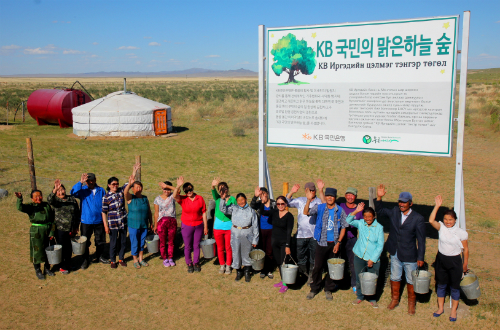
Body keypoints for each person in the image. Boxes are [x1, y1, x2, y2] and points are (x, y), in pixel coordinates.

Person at [375, 184, 426, 315]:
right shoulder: (394, 212)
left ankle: (411, 304)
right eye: (400, 202)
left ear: (410, 203)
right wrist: (379, 198)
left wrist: (420, 257)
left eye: (404, 202)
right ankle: (394, 300)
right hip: (394, 252)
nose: (401, 204)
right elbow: (380, 212)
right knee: (395, 277)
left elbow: (421, 240)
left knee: (410, 280)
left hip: (410, 254)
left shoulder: (418, 219)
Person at [303, 187, 348, 301]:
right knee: (317, 267)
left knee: (331, 268)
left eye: (331, 196)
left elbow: (344, 227)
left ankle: (328, 288)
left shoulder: (340, 211)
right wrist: (308, 200)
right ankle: (314, 288)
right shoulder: (321, 207)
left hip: (334, 244)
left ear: (335, 198)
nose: (329, 198)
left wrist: (338, 243)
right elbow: (306, 212)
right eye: (327, 196)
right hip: (321, 242)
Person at [429, 195, 469, 322]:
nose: (447, 221)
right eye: (446, 219)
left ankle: (453, 311)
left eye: (450, 219)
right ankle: (440, 308)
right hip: (441, 260)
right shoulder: (441, 228)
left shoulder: (461, 233)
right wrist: (437, 206)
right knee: (441, 285)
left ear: (455, 220)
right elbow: (431, 221)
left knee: (454, 287)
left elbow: (466, 250)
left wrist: (465, 265)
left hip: (455, 261)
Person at [286, 180, 325, 286]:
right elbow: (287, 202)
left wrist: (321, 191)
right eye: (309, 190)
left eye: (313, 190)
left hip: (314, 235)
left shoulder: (318, 201)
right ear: (305, 190)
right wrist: (292, 192)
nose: (312, 192)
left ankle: (312, 276)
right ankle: (304, 274)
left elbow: (326, 205)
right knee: (301, 256)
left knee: (313, 256)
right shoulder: (300, 201)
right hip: (301, 235)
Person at [346, 203, 384, 308]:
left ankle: (372, 298)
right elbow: (348, 221)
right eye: (365, 216)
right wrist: (356, 211)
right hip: (359, 255)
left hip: (373, 258)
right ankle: (360, 296)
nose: (367, 218)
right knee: (359, 277)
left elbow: (380, 246)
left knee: (372, 279)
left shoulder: (379, 228)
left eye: (370, 216)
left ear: (374, 216)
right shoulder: (361, 223)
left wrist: (372, 259)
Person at [71, 172, 108, 269]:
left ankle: (100, 256)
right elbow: (73, 192)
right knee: (85, 242)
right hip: (86, 220)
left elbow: (105, 204)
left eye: (92, 180)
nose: (90, 182)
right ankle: (85, 260)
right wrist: (80, 182)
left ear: (95, 180)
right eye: (88, 181)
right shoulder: (82, 190)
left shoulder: (101, 190)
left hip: (99, 220)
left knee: (100, 240)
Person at [219, 192, 259, 282]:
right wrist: (222, 199)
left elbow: (255, 226)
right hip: (235, 234)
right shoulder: (234, 208)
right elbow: (223, 209)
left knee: (247, 253)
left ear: (246, 199)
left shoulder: (251, 211)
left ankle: (247, 272)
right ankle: (238, 272)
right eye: (239, 200)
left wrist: (255, 240)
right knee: (236, 253)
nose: (241, 202)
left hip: (247, 234)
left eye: (242, 199)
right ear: (236, 201)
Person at [15, 190, 55, 280]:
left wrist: (52, 232)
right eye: (36, 197)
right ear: (32, 199)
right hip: (37, 231)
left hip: (48, 229)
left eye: (40, 196)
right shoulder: (31, 207)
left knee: (49, 249)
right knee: (37, 251)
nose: (38, 198)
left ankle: (47, 268)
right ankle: (38, 270)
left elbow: (53, 219)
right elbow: (20, 208)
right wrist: (19, 199)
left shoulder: (46, 205)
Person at [259, 196, 294, 293]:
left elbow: (289, 232)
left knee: (284, 263)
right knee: (279, 262)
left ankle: (285, 284)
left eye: (282, 203)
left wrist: (287, 245)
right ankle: (283, 280)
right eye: (278, 204)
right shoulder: (274, 212)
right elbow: (263, 212)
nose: (280, 206)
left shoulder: (289, 216)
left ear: (286, 204)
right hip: (275, 242)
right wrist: (262, 202)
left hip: (284, 243)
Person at [173, 177, 208, 273]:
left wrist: (205, 226)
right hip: (187, 225)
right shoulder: (183, 199)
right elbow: (174, 196)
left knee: (196, 245)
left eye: (190, 189)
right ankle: (189, 263)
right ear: (184, 191)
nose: (189, 192)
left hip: (198, 225)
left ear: (193, 189)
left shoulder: (200, 198)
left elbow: (204, 212)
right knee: (188, 246)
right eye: (187, 191)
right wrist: (178, 186)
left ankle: (196, 262)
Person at [47, 179, 80, 274]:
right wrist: (54, 190)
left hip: (71, 228)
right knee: (61, 247)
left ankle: (68, 262)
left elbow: (77, 213)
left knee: (69, 247)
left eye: (62, 189)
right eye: (58, 190)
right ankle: (62, 266)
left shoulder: (71, 199)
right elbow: (49, 200)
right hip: (59, 229)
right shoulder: (56, 201)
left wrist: (76, 226)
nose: (61, 192)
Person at [102, 173, 132, 269]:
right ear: (109, 185)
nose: (115, 186)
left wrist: (134, 172)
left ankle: (121, 258)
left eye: (117, 184)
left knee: (123, 241)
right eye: (113, 184)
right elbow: (103, 212)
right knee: (113, 242)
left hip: (123, 221)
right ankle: (113, 260)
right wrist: (105, 226)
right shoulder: (106, 197)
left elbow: (129, 183)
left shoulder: (121, 191)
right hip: (113, 222)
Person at [124, 172, 153, 269]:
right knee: (134, 242)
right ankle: (135, 259)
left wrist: (151, 222)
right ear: (132, 188)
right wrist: (129, 183)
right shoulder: (130, 198)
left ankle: (141, 258)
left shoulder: (145, 198)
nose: (139, 189)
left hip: (144, 224)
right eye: (137, 187)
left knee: (142, 242)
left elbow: (149, 211)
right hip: (133, 225)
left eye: (140, 187)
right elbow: (125, 193)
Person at [338, 187, 363, 294]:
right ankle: (338, 282)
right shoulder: (340, 206)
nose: (350, 197)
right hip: (339, 239)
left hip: (352, 239)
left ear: (355, 197)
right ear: (345, 196)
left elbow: (362, 225)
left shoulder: (359, 210)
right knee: (339, 261)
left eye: (352, 195)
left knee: (353, 263)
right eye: (348, 195)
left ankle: (354, 284)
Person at [250, 186, 277, 279]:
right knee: (262, 249)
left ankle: (268, 269)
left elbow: (275, 213)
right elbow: (252, 206)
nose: (262, 197)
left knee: (269, 250)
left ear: (267, 194)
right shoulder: (259, 204)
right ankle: (262, 269)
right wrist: (255, 196)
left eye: (263, 195)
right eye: (260, 195)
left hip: (271, 230)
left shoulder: (273, 203)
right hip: (261, 230)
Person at [211, 178, 236, 275]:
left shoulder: (232, 199)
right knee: (220, 247)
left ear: (228, 189)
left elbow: (233, 211)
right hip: (218, 227)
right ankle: (222, 265)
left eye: (224, 188)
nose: (222, 190)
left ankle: (228, 265)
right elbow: (213, 191)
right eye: (220, 189)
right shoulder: (217, 198)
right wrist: (213, 185)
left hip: (229, 226)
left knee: (228, 247)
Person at [155, 181, 178, 268]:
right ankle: (164, 258)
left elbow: (177, 191)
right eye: (165, 189)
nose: (167, 191)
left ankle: (171, 257)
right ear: (162, 189)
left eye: (168, 189)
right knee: (162, 241)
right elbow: (156, 213)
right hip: (161, 222)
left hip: (172, 221)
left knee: (171, 241)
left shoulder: (173, 196)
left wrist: (168, 186)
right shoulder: (157, 199)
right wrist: (155, 225)